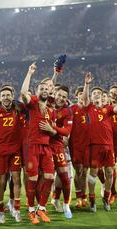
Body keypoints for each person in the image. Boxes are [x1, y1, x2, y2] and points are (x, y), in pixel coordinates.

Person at [81, 72, 117, 212]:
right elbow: (84, 98)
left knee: (110, 172)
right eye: (94, 93)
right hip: (95, 146)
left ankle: (106, 198)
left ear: (101, 96)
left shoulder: (107, 109)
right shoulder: (89, 108)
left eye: (98, 93)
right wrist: (87, 84)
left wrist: (116, 99)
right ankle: (92, 199)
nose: (96, 95)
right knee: (93, 173)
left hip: (108, 146)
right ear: (92, 97)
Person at [20, 62, 55, 224]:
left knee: (49, 177)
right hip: (32, 146)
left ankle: (41, 208)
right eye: (41, 89)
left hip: (46, 147)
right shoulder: (32, 103)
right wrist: (29, 73)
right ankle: (31, 210)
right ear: (36, 92)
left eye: (46, 90)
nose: (44, 91)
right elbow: (22, 92)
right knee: (32, 179)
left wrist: (51, 129)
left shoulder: (49, 109)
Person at [0, 86, 22, 223]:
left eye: (8, 95)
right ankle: (0, 208)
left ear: (12, 95)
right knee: (1, 181)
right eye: (3, 95)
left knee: (16, 179)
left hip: (15, 150)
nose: (6, 98)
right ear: (0, 97)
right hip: (0, 151)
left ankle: (16, 209)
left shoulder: (18, 109)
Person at [46, 85, 73, 219]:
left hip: (57, 146)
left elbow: (67, 131)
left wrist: (53, 128)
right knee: (45, 177)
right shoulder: (48, 102)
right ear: (54, 93)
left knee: (65, 177)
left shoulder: (67, 111)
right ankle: (40, 206)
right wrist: (56, 73)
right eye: (59, 95)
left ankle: (65, 204)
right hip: (44, 145)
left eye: (64, 97)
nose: (61, 98)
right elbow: (48, 86)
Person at [69, 86, 89, 208]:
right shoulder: (72, 109)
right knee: (79, 170)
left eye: (84, 94)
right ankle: (78, 197)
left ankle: (84, 196)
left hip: (88, 145)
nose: (82, 96)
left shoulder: (90, 110)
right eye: (80, 94)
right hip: (75, 145)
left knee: (85, 172)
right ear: (76, 96)